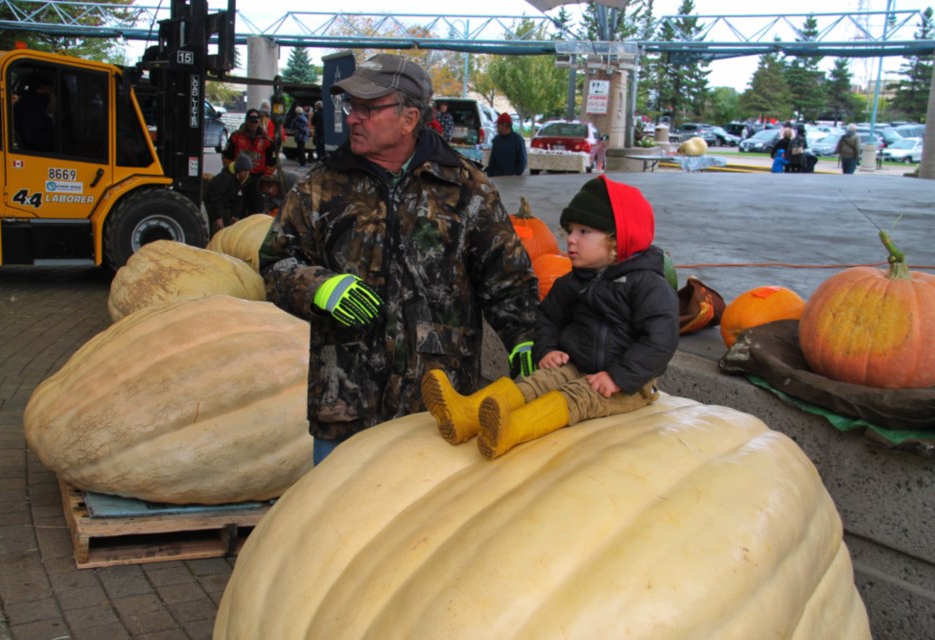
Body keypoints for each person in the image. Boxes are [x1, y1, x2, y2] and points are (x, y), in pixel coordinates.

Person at [258, 53, 539, 465]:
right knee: (335, 523)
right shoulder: (319, 187)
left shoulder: (466, 190)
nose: (353, 118)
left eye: (368, 109)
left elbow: (508, 281)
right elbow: (275, 263)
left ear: (409, 118)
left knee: (430, 527)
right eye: (351, 107)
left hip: (436, 414)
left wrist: (525, 337)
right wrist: (318, 287)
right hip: (345, 408)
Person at [422, 176, 679, 459]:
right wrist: (548, 349)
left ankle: (512, 430)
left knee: (578, 398)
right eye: (569, 231)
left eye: (584, 232)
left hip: (625, 384)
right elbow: (548, 319)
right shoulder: (572, 283)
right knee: (538, 380)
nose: (570, 239)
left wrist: (618, 376)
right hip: (576, 364)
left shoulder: (647, 285)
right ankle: (467, 415)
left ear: (618, 238)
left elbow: (660, 340)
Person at [224, 108, 277, 216]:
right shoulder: (236, 137)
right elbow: (226, 156)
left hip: (258, 179)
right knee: (238, 209)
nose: (253, 124)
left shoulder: (266, 141)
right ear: (246, 121)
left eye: (256, 121)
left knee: (256, 211)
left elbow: (272, 162)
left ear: (259, 122)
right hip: (239, 179)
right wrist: (233, 173)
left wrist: (265, 177)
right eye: (251, 121)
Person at [204, 153, 251, 231]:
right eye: (244, 171)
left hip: (227, 210)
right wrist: (218, 217)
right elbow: (216, 198)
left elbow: (239, 198)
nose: (246, 174)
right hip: (216, 210)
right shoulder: (224, 179)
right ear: (238, 170)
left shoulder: (240, 181)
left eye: (248, 171)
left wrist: (236, 215)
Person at [13, 75, 56, 152]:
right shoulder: (33, 106)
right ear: (42, 87)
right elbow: (33, 138)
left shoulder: (27, 103)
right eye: (51, 90)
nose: (51, 93)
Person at [486, 112, 527, 177]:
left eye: (498, 125)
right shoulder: (496, 140)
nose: (497, 127)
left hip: (512, 179)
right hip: (497, 178)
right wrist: (490, 175)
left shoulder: (518, 140)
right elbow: (492, 161)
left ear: (504, 125)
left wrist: (516, 174)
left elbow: (522, 160)